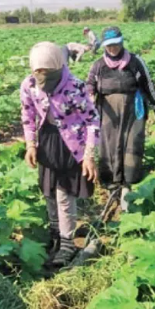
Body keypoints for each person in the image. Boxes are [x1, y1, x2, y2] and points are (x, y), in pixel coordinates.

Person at [20, 42, 100, 267]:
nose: (43, 78)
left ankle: (67, 242)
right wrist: (31, 145)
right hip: (47, 140)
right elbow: (27, 115)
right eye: (39, 73)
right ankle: (55, 231)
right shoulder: (29, 85)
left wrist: (89, 155)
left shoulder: (74, 86)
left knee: (64, 194)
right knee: (48, 191)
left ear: (58, 68)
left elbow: (93, 120)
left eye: (48, 74)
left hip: (71, 144)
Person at [86, 26, 155, 213]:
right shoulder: (98, 66)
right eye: (108, 45)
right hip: (108, 114)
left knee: (132, 146)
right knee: (110, 147)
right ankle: (113, 184)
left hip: (133, 112)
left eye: (115, 44)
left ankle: (128, 184)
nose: (112, 48)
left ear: (121, 42)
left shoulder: (135, 62)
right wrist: (89, 97)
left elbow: (148, 85)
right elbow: (89, 85)